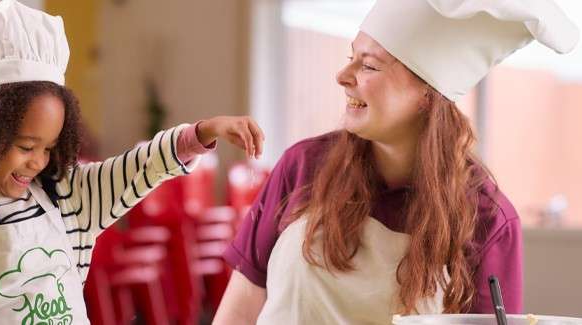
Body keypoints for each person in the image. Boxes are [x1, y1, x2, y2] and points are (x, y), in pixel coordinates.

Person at [214, 0, 579, 323]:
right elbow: (243, 304)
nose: (342, 77)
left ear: (427, 94)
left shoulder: (486, 218)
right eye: (350, 58)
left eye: (369, 66)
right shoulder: (303, 167)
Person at [0, 1, 264, 324]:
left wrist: (204, 131)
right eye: (26, 146)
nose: (38, 162)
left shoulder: (68, 196)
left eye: (49, 148)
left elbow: (141, 167)